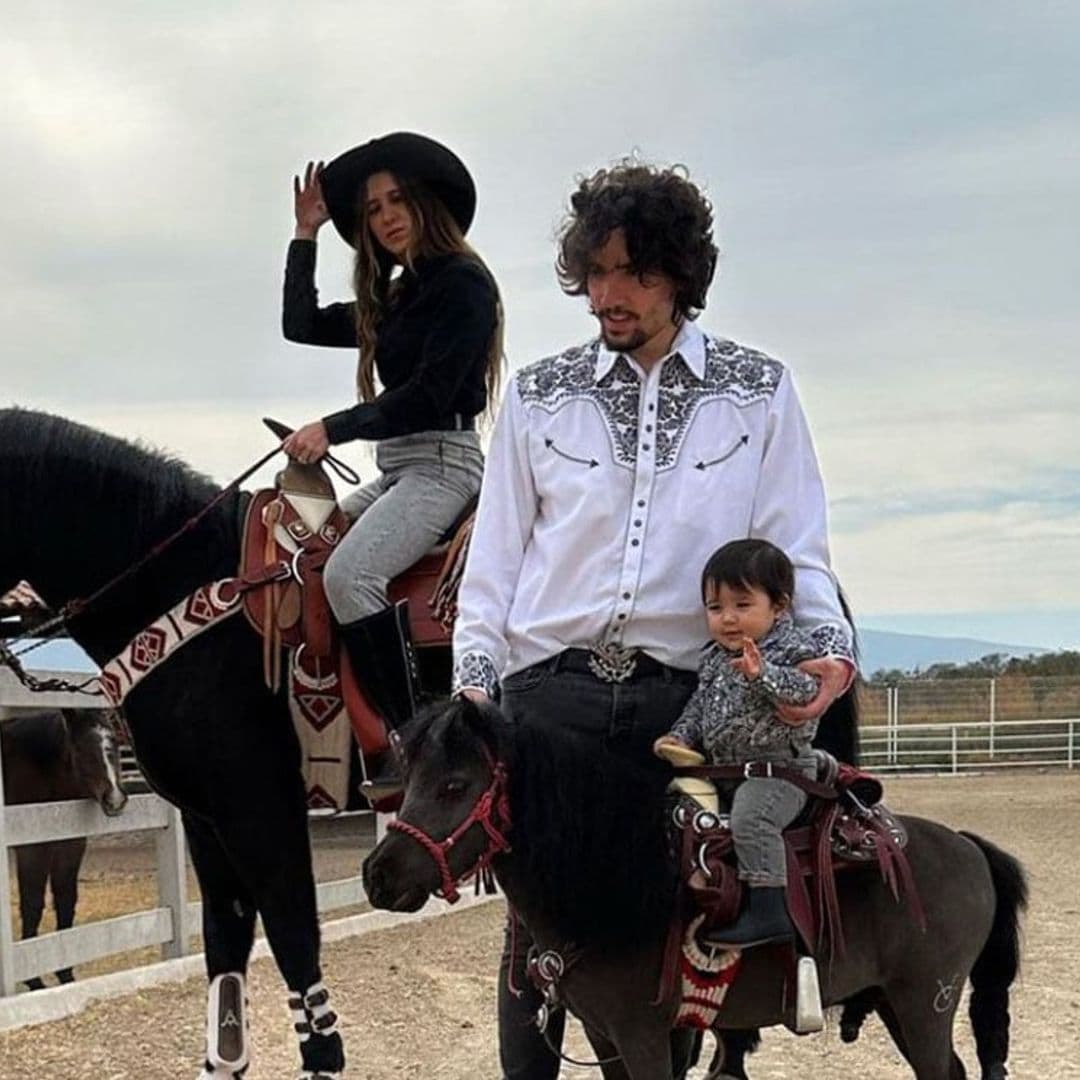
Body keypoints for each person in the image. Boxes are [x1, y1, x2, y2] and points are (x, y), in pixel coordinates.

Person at [452, 160, 856, 1080]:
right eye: (594, 273)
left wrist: (827, 653)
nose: (607, 295)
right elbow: (497, 560)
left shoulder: (759, 391)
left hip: (688, 697)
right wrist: (476, 687)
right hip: (547, 694)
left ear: (680, 274)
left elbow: (798, 543)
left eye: (631, 272)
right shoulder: (539, 394)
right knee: (536, 922)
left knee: (683, 910)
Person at [280, 132, 503, 789]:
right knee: (307, 551)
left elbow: (428, 394)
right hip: (400, 467)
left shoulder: (462, 284)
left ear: (426, 204)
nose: (385, 216)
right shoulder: (396, 298)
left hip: (443, 464)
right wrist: (305, 234)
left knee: (349, 576)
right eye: (373, 208)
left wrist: (332, 428)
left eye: (397, 200)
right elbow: (299, 323)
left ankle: (415, 741)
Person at [654, 537, 827, 947]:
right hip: (727, 771)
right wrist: (680, 734)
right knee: (676, 809)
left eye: (742, 606)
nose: (728, 619)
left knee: (753, 819)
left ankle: (769, 909)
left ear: (779, 606)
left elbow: (806, 691)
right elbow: (700, 705)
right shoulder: (714, 656)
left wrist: (761, 673)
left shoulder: (792, 648)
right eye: (716, 608)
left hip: (779, 773)